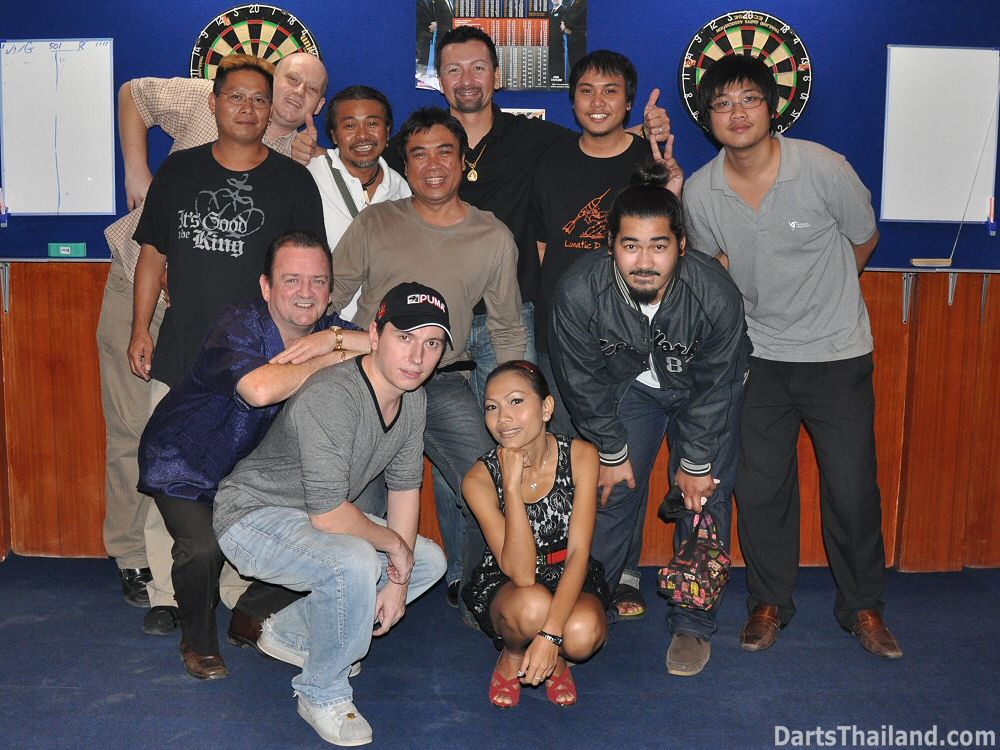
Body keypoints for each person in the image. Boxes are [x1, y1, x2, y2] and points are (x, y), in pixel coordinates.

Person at [682, 54, 901, 659]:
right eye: (722, 104)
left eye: (749, 99)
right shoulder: (701, 191)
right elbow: (711, 269)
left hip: (837, 354)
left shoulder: (824, 168)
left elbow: (864, 239)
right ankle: (769, 601)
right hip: (758, 359)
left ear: (772, 106)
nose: (737, 113)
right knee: (761, 489)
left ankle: (863, 607)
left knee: (852, 489)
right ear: (709, 118)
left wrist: (824, 302)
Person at [99, 51, 328, 608]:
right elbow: (152, 254)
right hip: (181, 342)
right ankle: (164, 590)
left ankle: (234, 583)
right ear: (215, 102)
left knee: (240, 469)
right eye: (236, 97)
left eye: (259, 100)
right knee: (165, 462)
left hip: (252, 356)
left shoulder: (295, 179)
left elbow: (307, 271)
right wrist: (140, 329)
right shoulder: (181, 169)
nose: (248, 108)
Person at [214, 282, 450, 746]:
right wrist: (393, 548)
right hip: (251, 517)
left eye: (432, 343)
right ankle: (321, 692)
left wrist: (399, 579)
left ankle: (291, 634)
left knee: (429, 562)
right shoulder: (334, 394)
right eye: (405, 337)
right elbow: (328, 516)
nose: (417, 357)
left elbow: (405, 487)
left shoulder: (413, 398)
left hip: (313, 517)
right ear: (374, 335)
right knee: (356, 562)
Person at [549, 162, 750, 676]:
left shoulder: (715, 292)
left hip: (701, 393)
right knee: (611, 490)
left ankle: (692, 621)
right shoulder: (578, 291)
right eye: (630, 246)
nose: (644, 261)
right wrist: (612, 451)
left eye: (659, 246)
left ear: (681, 245)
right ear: (609, 246)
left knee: (703, 499)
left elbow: (719, 384)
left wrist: (696, 462)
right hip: (630, 389)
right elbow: (580, 380)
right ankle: (590, 600)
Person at [137, 231, 367, 680]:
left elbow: (395, 344)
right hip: (187, 460)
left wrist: (333, 339)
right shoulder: (237, 322)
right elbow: (259, 390)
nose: (306, 292)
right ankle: (198, 641)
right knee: (202, 548)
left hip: (251, 473)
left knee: (331, 527)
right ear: (266, 286)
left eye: (318, 281)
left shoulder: (329, 328)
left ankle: (250, 614)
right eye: (292, 280)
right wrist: (328, 356)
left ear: (330, 290)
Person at [333, 106, 526, 612]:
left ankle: (484, 590)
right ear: (406, 164)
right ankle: (361, 601)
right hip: (369, 381)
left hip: (441, 382)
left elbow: (507, 326)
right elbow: (330, 296)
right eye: (419, 154)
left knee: (489, 481)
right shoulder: (376, 222)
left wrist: (518, 400)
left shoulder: (492, 236)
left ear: (463, 161)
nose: (433, 164)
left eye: (445, 152)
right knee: (361, 502)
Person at [533, 50, 683, 620]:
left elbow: (672, 236)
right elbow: (543, 246)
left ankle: (619, 573)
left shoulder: (649, 160)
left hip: (633, 340)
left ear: (629, 101)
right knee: (567, 460)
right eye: (587, 91)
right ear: (572, 100)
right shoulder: (551, 159)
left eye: (611, 91)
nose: (598, 102)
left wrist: (669, 172)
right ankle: (564, 572)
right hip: (563, 338)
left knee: (624, 457)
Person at [463, 361, 608, 709]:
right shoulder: (478, 479)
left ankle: (555, 655)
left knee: (583, 634)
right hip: (510, 583)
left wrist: (550, 635)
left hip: (568, 571)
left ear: (546, 408)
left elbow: (579, 552)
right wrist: (511, 488)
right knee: (532, 603)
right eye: (492, 407)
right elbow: (523, 573)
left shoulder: (582, 456)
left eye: (516, 401)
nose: (503, 418)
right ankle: (512, 653)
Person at [305, 85, 410, 321]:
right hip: (319, 321)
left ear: (388, 130)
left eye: (372, 123)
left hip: (382, 326)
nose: (362, 135)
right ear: (333, 135)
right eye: (350, 126)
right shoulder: (309, 175)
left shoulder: (402, 189)